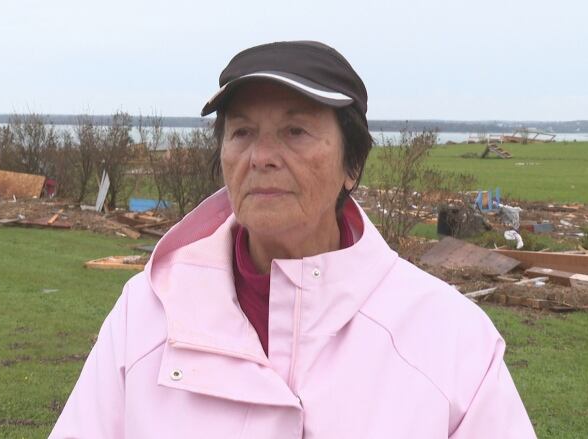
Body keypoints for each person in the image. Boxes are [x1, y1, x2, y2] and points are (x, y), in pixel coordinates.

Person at [49, 41, 536, 438]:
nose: (261, 156)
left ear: (352, 165)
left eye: (295, 131)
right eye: (242, 132)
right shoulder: (148, 313)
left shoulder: (449, 337)